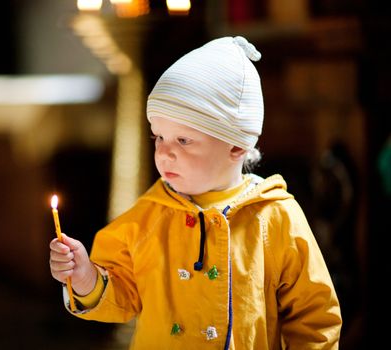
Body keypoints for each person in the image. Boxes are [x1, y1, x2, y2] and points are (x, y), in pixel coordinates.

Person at [49, 36, 342, 349]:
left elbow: (315, 314)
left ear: (236, 145)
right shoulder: (148, 217)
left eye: (183, 141)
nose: (164, 153)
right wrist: (84, 279)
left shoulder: (275, 217)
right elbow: (121, 292)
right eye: (159, 137)